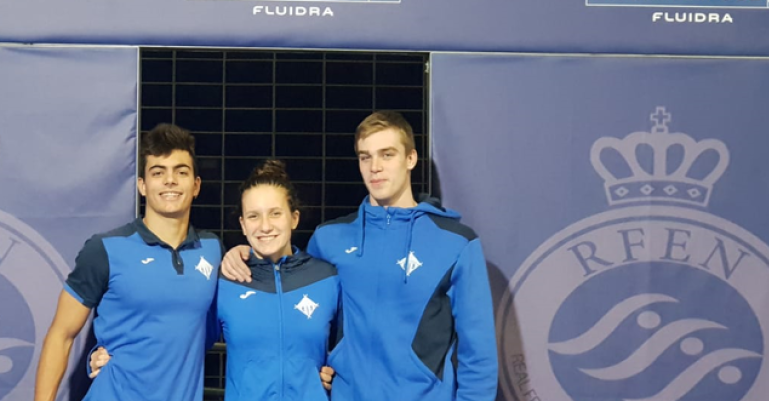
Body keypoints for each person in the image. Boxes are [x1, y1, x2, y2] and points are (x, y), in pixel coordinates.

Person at [221, 111, 499, 401]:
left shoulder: (456, 243)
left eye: (387, 155)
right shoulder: (329, 239)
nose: (375, 167)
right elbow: (296, 308)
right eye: (365, 157)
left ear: (411, 159)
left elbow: (478, 356)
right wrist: (245, 254)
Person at [90, 159, 339, 400]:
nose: (265, 226)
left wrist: (334, 372)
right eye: (254, 216)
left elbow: (352, 348)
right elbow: (175, 337)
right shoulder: (226, 281)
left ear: (294, 218)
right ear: (243, 224)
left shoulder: (327, 278)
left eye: (275, 214)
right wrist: (109, 355)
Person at [33, 123, 222, 401]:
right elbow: (61, 335)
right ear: (142, 186)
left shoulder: (213, 250)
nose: (170, 180)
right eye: (158, 172)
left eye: (181, 172)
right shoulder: (105, 249)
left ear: (196, 186)